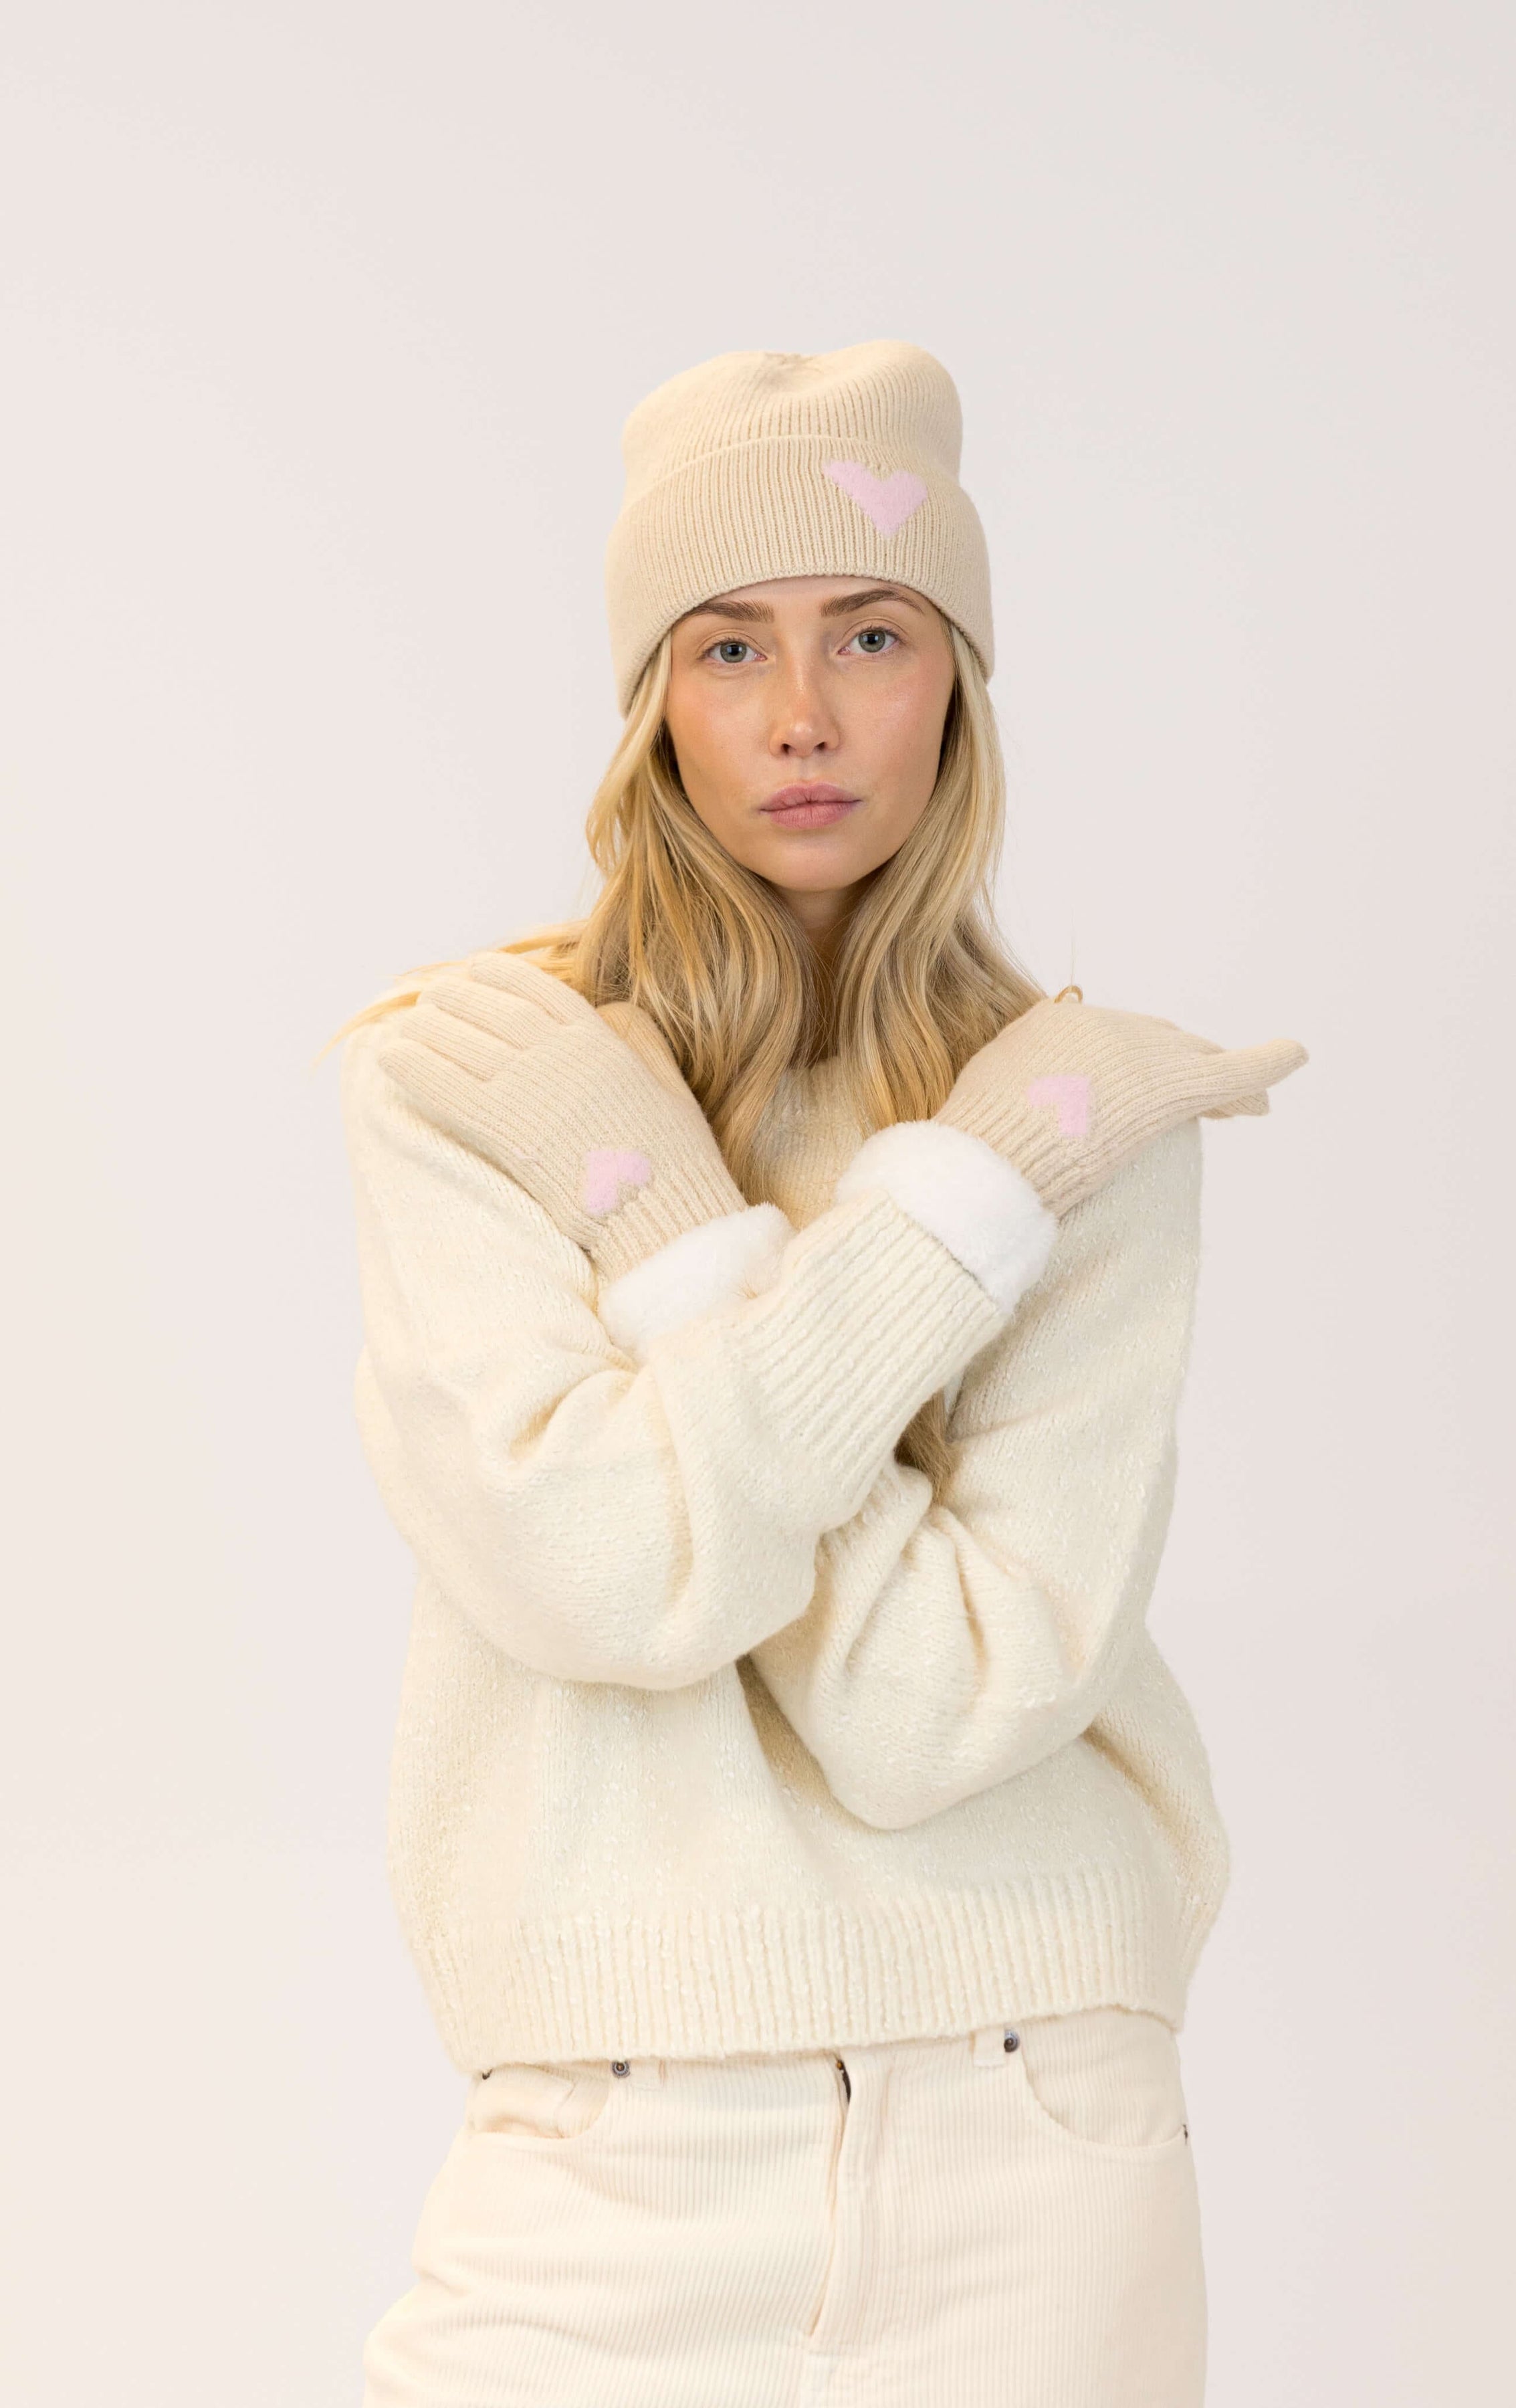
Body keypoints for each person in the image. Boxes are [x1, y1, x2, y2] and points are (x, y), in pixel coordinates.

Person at [332, 340, 1307, 2407]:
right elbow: (604, 1572)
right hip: (604, 2147)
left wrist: (884, 1202)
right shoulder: (485, 1077)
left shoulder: (1073, 1115)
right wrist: (898, 1228)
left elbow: (941, 1708)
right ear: (651, 701)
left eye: (872, 632)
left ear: (956, 678)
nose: (800, 714)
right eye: (727, 646)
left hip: (1033, 2131)